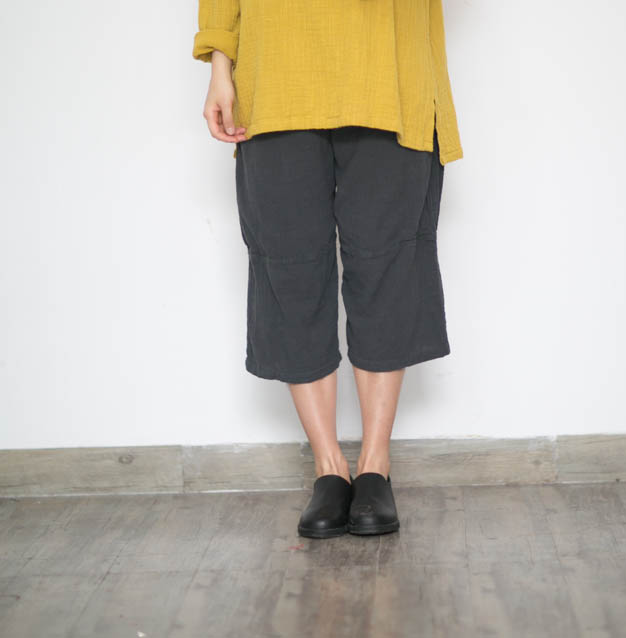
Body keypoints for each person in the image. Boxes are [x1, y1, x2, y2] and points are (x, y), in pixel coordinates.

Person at [192, 0, 463, 538]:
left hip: (390, 70)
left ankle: (375, 465)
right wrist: (221, 65)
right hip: (276, 72)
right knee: (289, 268)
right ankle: (328, 468)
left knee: (387, 264)